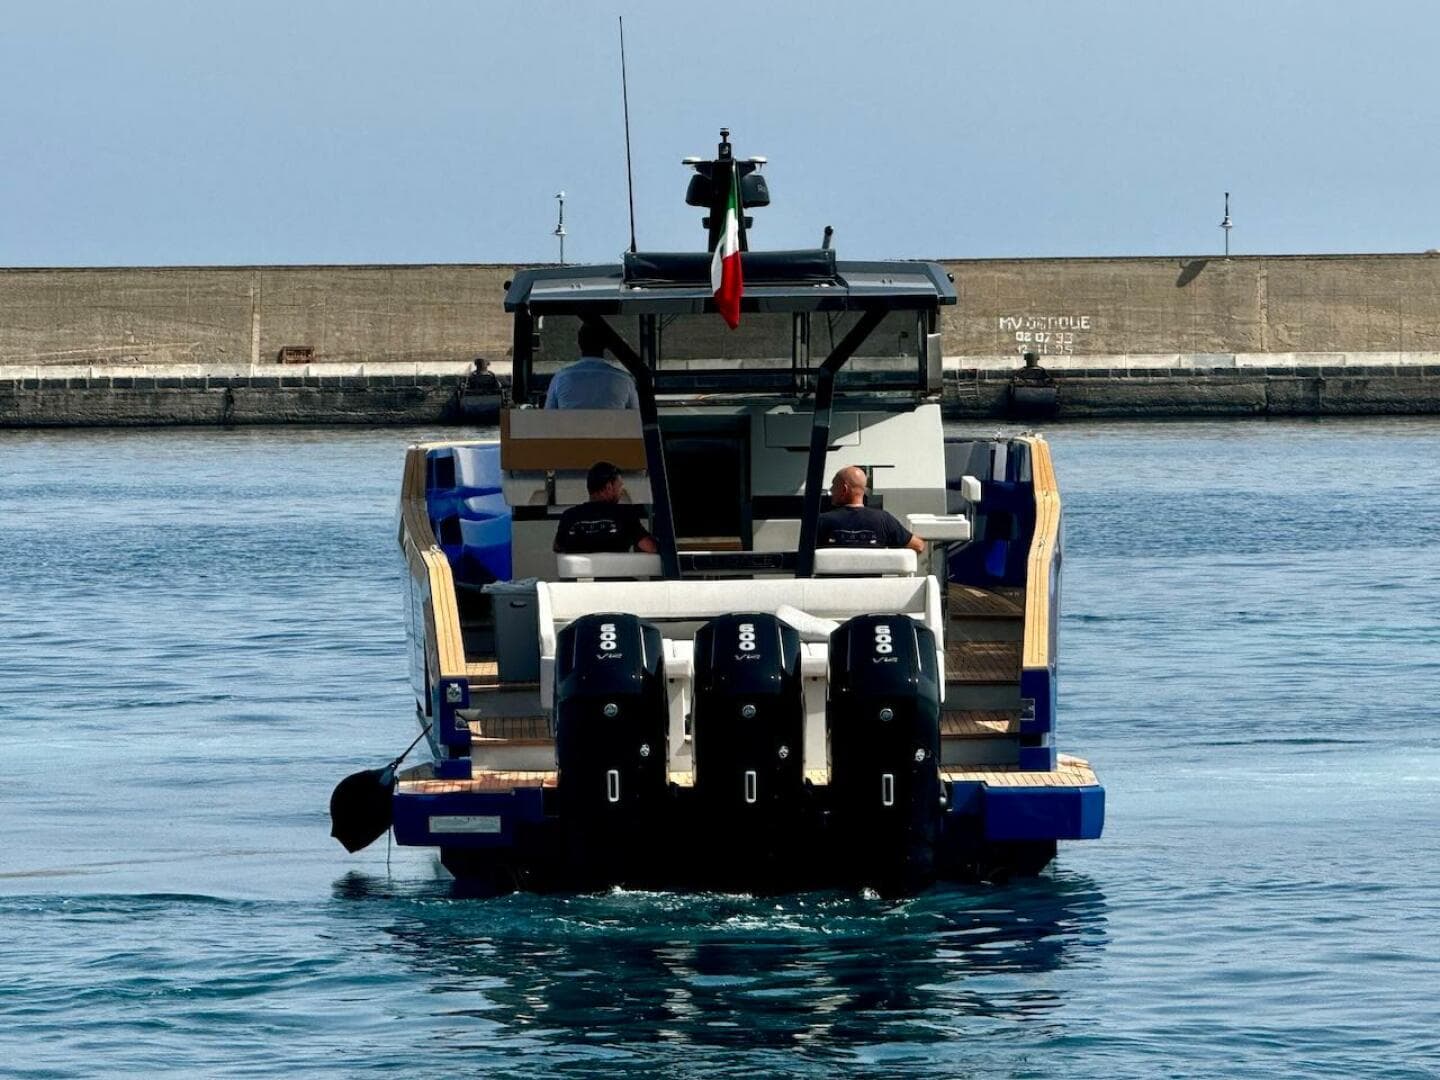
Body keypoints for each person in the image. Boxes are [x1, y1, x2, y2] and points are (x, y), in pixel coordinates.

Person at [553, 461, 658, 554]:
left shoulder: (569, 516)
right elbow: (650, 547)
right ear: (609, 487)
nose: (621, 492)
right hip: (616, 575)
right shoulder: (625, 514)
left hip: (577, 575)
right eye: (620, 486)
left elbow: (557, 546)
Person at [817, 465, 924, 552]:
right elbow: (918, 546)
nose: (831, 490)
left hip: (834, 579)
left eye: (834, 485)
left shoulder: (822, 521)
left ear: (844, 489)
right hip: (872, 579)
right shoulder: (884, 519)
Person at [543, 325, 641, 409]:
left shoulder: (560, 378)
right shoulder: (624, 380)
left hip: (569, 431)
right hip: (612, 431)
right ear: (605, 344)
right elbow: (637, 417)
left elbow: (548, 416)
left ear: (579, 343)